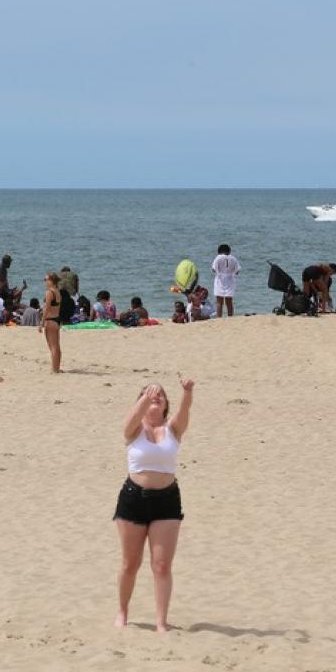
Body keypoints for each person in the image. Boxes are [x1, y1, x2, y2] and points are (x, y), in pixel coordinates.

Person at [115, 379, 195, 633]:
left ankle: (161, 621)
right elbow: (129, 420)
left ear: (165, 404)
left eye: (160, 394)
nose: (156, 396)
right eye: (150, 394)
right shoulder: (134, 430)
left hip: (167, 500)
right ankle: (123, 612)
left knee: (161, 565)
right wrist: (143, 399)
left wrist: (187, 392)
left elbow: (184, 413)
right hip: (133, 498)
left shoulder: (173, 429)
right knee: (130, 563)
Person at [40, 272, 62, 373]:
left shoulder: (49, 292)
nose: (45, 282)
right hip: (56, 319)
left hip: (50, 320)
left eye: (46, 280)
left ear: (51, 281)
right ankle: (56, 367)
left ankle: (54, 369)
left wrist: (41, 322)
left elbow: (47, 308)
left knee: (52, 346)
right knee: (56, 345)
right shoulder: (57, 292)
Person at [211, 244, 241, 318]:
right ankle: (230, 317)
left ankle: (219, 317)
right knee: (229, 301)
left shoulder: (218, 258)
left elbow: (213, 269)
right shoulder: (233, 258)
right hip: (230, 280)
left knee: (219, 301)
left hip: (220, 279)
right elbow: (237, 271)